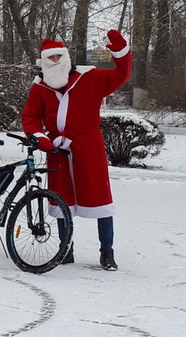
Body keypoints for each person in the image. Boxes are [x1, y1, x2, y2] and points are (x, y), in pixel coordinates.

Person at [21, 31, 131, 270]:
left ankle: (107, 252)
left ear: (67, 57)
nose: (56, 61)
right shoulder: (40, 87)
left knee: (100, 199)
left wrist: (121, 52)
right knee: (61, 200)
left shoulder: (88, 78)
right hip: (57, 149)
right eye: (51, 58)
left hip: (88, 146)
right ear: (43, 62)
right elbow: (30, 117)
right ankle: (65, 249)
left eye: (60, 55)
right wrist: (42, 139)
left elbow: (121, 75)